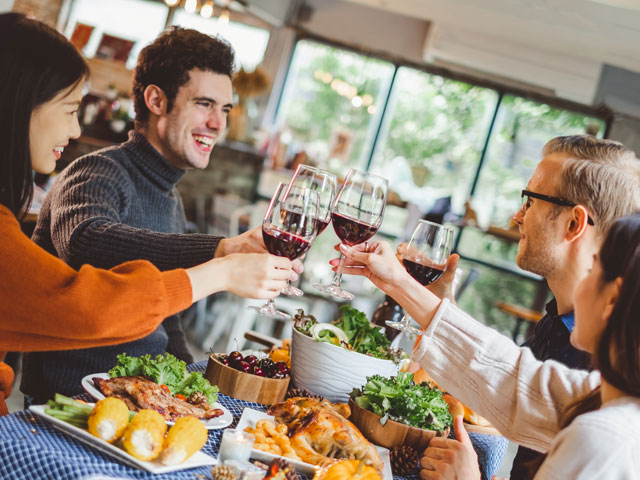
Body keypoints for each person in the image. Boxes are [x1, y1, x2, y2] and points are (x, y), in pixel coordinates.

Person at [0, 13, 293, 415]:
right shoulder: (98, 171)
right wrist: (218, 254)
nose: (217, 123)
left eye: (225, 109)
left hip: (143, 403)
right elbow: (90, 240)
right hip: (75, 404)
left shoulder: (169, 198)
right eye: (204, 104)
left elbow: (167, 321)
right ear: (156, 100)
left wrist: (198, 389)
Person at [337, 212, 640, 478]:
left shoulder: (601, 441)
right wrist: (398, 282)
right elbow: (511, 378)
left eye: (593, 268)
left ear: (613, 299)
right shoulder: (605, 400)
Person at [404, 135, 640, 476]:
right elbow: (506, 379)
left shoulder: (599, 407)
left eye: (530, 201)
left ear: (574, 224)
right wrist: (439, 302)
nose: (517, 216)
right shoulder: (561, 331)